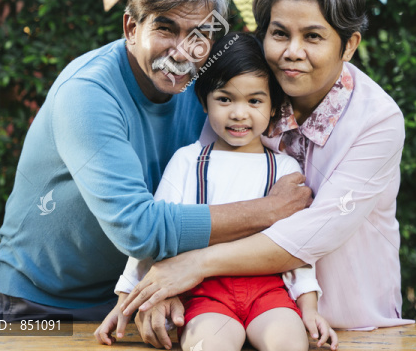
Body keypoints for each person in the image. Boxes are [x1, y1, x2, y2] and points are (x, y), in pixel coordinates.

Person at [0, 0, 313, 347]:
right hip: (45, 301)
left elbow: (186, 197)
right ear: (131, 27)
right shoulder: (88, 93)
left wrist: (165, 281)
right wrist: (269, 210)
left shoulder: (203, 89)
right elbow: (138, 228)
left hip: (140, 291)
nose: (181, 51)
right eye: (165, 28)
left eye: (198, 34)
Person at [121, 0, 415, 332]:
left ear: (349, 45)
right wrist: (159, 288)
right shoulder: (244, 99)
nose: (292, 51)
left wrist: (191, 266)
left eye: (313, 36)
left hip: (348, 320)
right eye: (279, 34)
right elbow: (199, 199)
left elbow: (316, 232)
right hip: (234, 313)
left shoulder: (377, 120)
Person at [96, 33, 338, 351]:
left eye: (254, 101)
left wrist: (309, 310)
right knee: (209, 345)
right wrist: (124, 303)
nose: (239, 113)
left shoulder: (285, 169)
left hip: (269, 292)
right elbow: (153, 239)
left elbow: (298, 246)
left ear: (274, 104)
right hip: (205, 295)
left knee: (289, 343)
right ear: (204, 101)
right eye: (225, 99)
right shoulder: (187, 161)